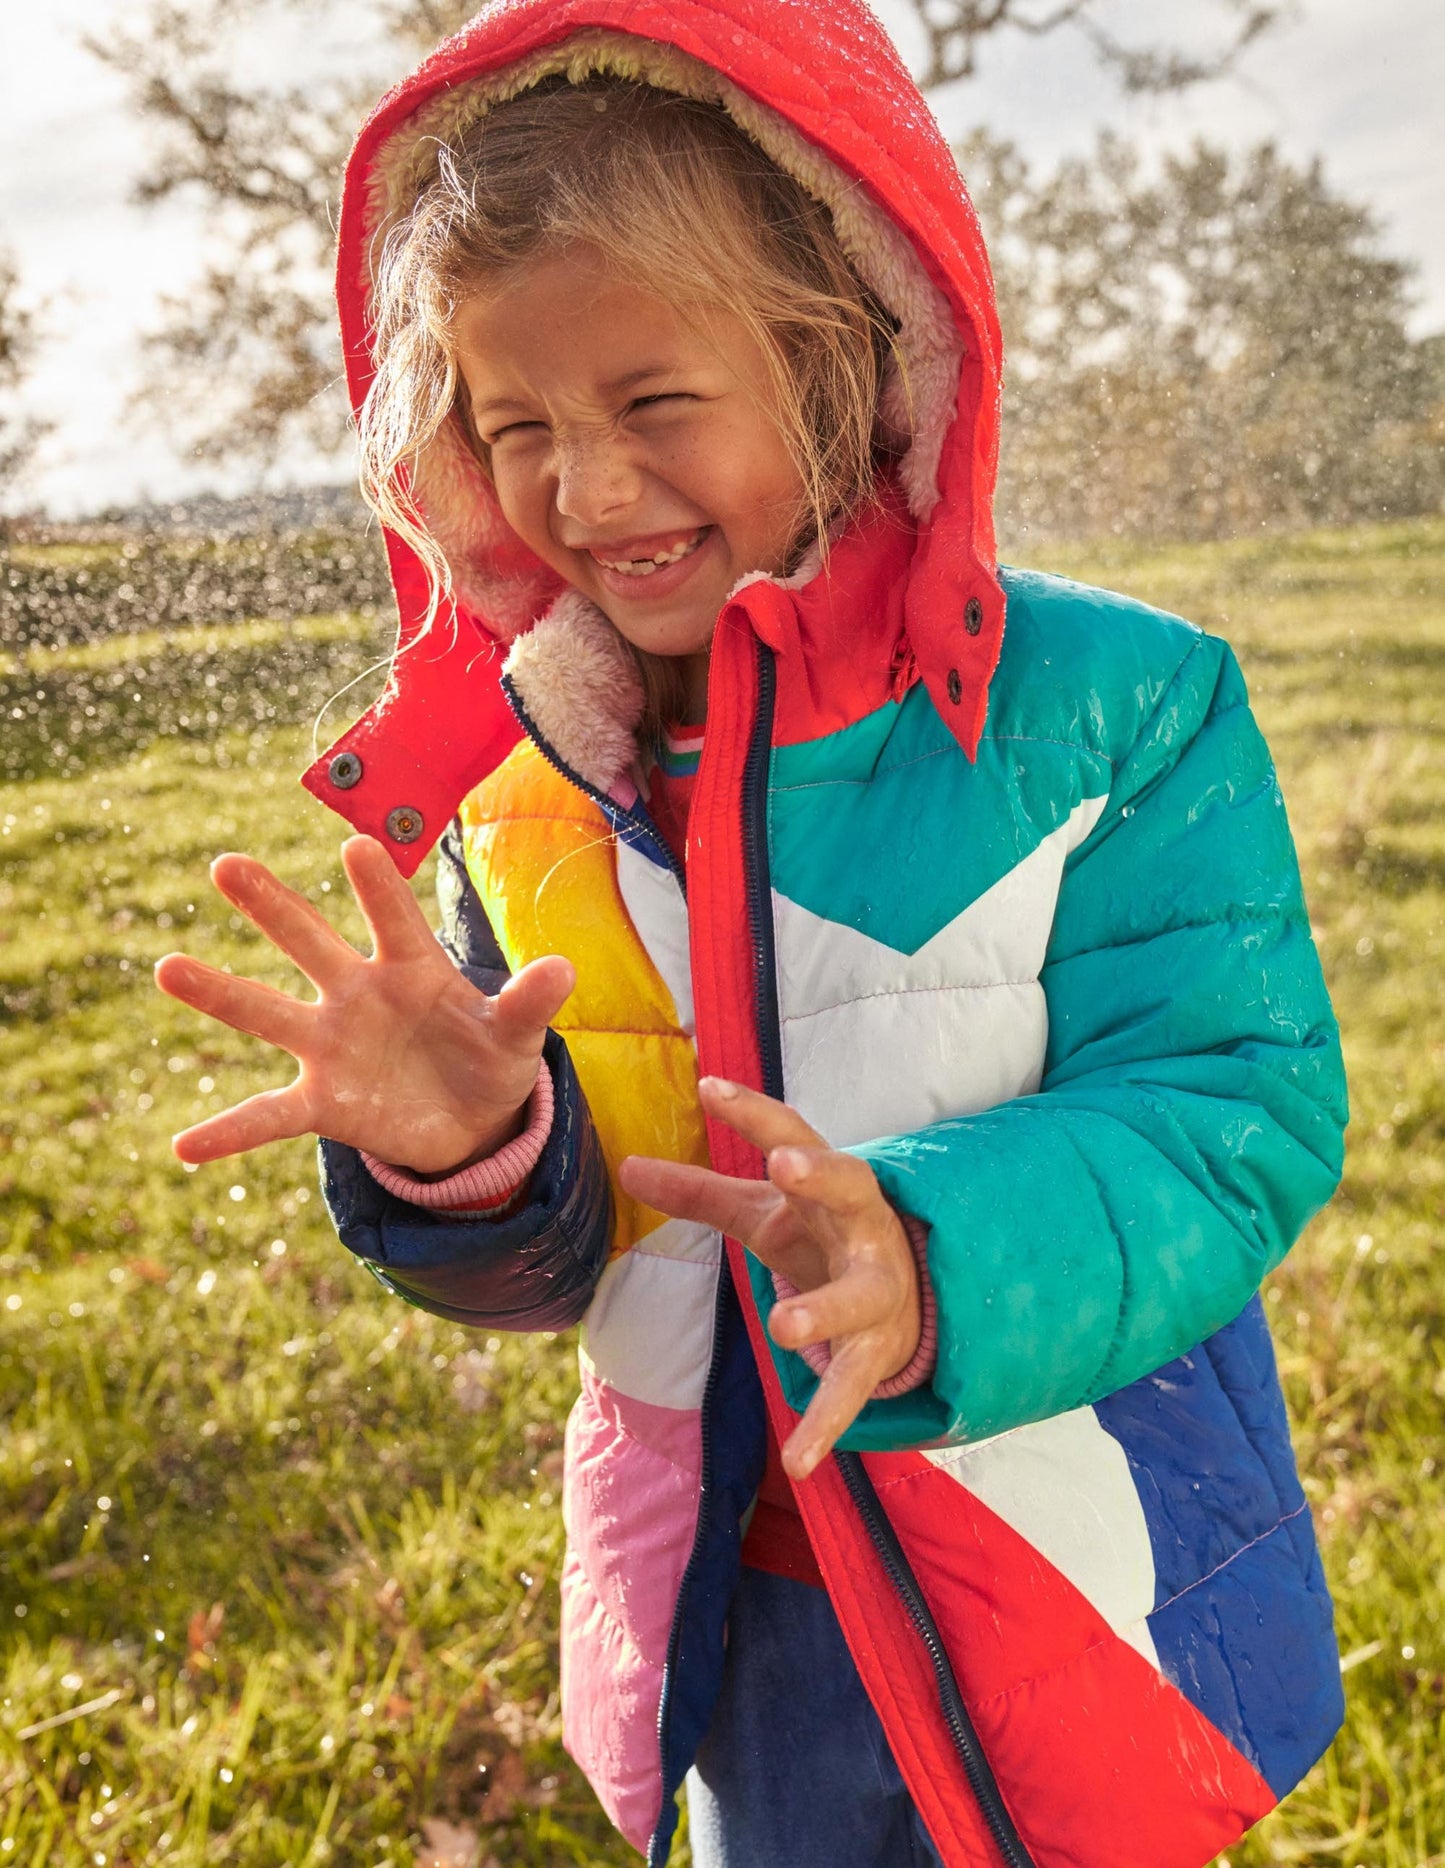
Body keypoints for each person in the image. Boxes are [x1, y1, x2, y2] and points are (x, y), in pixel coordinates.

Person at [154, 4, 1350, 1864]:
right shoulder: (524, 783)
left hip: (1070, 1564)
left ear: (829, 356)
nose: (588, 488)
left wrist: (930, 1252)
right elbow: (571, 1265)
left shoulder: (1116, 705)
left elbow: (1238, 1105)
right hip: (739, 1600)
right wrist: (473, 1158)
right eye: (518, 426)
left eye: (651, 406)